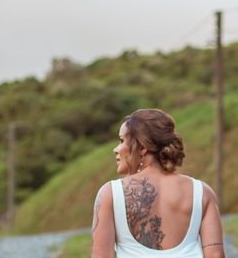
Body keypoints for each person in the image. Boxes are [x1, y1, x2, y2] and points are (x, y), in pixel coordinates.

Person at [91, 109, 225, 258]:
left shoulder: (110, 194)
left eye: (122, 141)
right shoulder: (202, 192)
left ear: (142, 148)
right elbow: (215, 255)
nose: (116, 149)